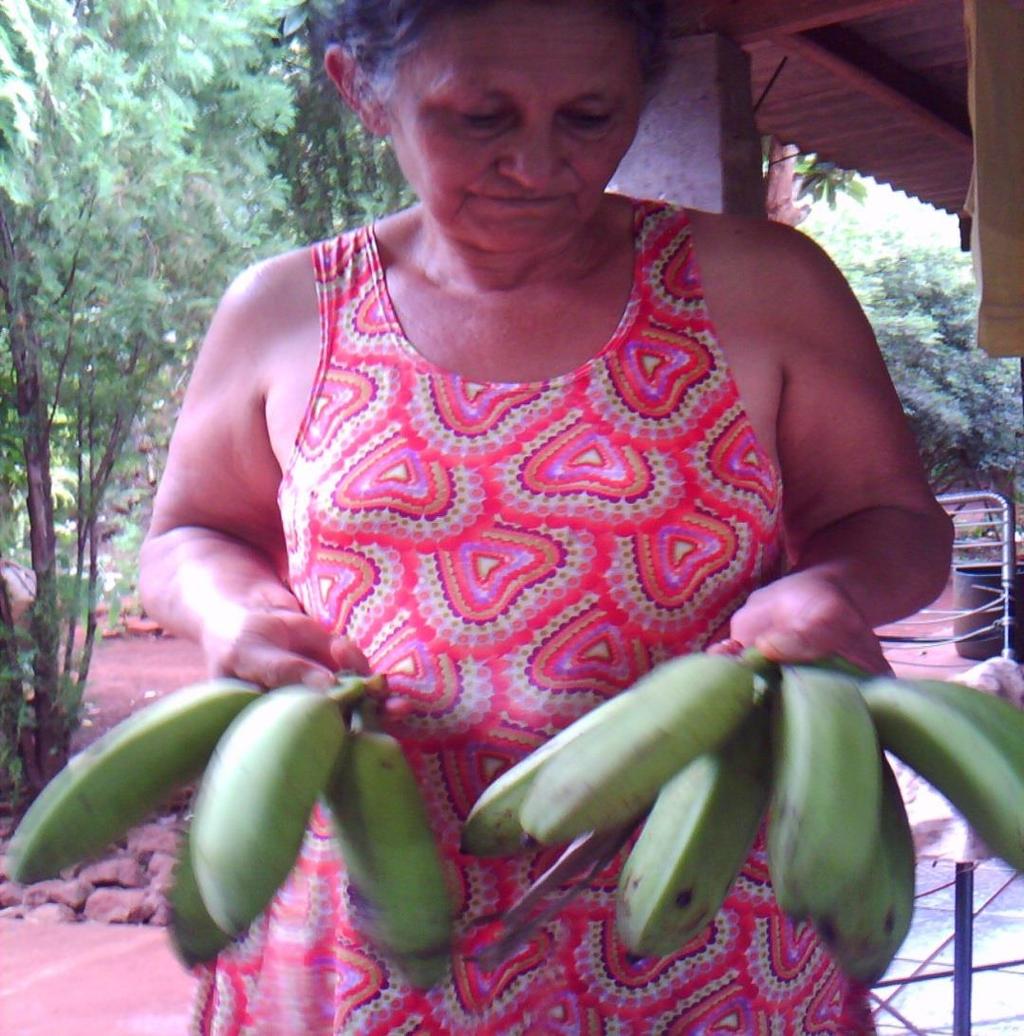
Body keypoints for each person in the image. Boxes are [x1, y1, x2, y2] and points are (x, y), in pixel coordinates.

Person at [139, 1, 953, 1032]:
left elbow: (890, 515)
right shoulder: (286, 309)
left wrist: (831, 585)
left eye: (588, 116)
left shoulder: (760, 288)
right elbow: (185, 535)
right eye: (479, 118)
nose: (537, 164)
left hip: (702, 916)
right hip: (363, 923)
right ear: (360, 89)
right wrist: (234, 611)